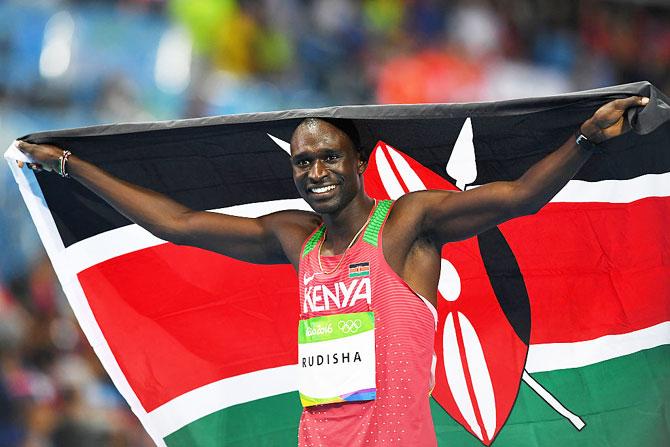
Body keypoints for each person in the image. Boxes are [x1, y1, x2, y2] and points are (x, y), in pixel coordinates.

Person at [16, 96, 648, 446]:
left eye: (328, 158)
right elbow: (177, 224)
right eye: (301, 162)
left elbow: (518, 199)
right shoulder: (298, 239)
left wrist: (585, 141)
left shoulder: (407, 225)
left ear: (359, 160)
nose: (314, 172)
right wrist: (71, 164)